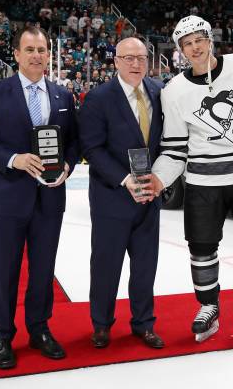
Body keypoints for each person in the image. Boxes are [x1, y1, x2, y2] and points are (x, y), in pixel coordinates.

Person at [145, 15, 233, 346]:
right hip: (203, 182)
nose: (194, 48)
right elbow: (175, 148)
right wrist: (159, 179)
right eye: (187, 44)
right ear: (180, 50)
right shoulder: (174, 91)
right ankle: (208, 306)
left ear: (210, 40)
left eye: (199, 40)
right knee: (201, 248)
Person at [0, 26, 79, 370]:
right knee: (5, 271)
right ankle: (2, 335)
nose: (36, 56)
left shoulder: (62, 96)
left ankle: (39, 329)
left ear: (49, 54)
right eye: (29, 50)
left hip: (49, 198)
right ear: (16, 54)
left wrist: (68, 165)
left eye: (42, 50)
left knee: (44, 270)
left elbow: (74, 142)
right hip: (7, 199)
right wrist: (13, 159)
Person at [78, 37, 165, 350]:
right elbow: (92, 147)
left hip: (149, 198)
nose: (136, 64)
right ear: (115, 61)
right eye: (128, 58)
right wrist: (124, 178)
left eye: (141, 58)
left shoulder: (158, 92)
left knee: (145, 266)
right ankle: (101, 324)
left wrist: (161, 177)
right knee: (106, 266)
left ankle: (144, 323)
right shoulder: (99, 98)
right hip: (111, 197)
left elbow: (164, 143)